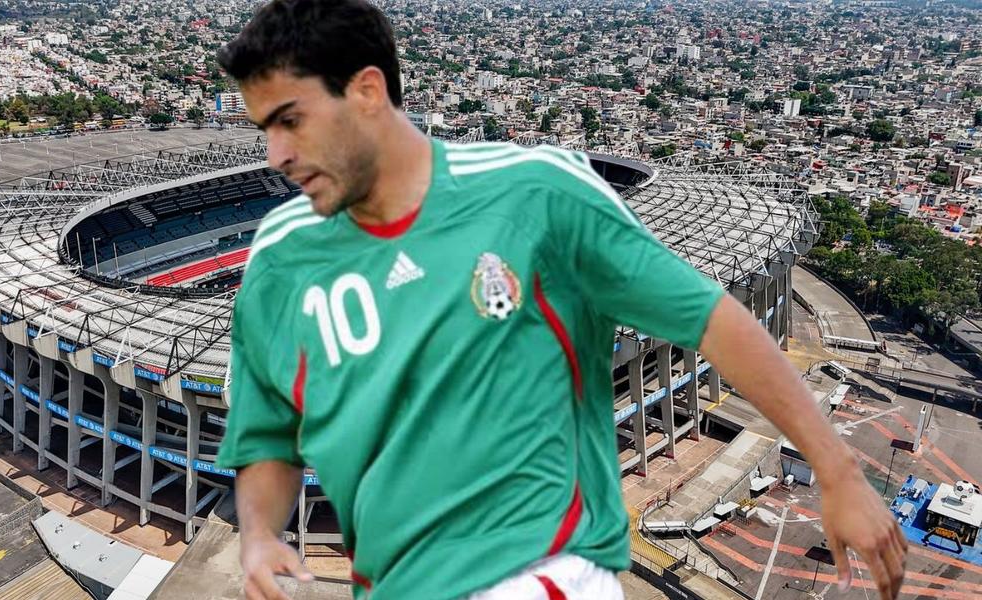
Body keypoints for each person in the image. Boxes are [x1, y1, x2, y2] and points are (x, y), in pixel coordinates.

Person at [213, 1, 907, 599]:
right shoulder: (280, 258)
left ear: (367, 91)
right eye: (263, 128)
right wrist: (258, 536)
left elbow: (712, 317)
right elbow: (269, 433)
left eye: (290, 121)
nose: (275, 153)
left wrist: (836, 468)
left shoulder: (532, 195)